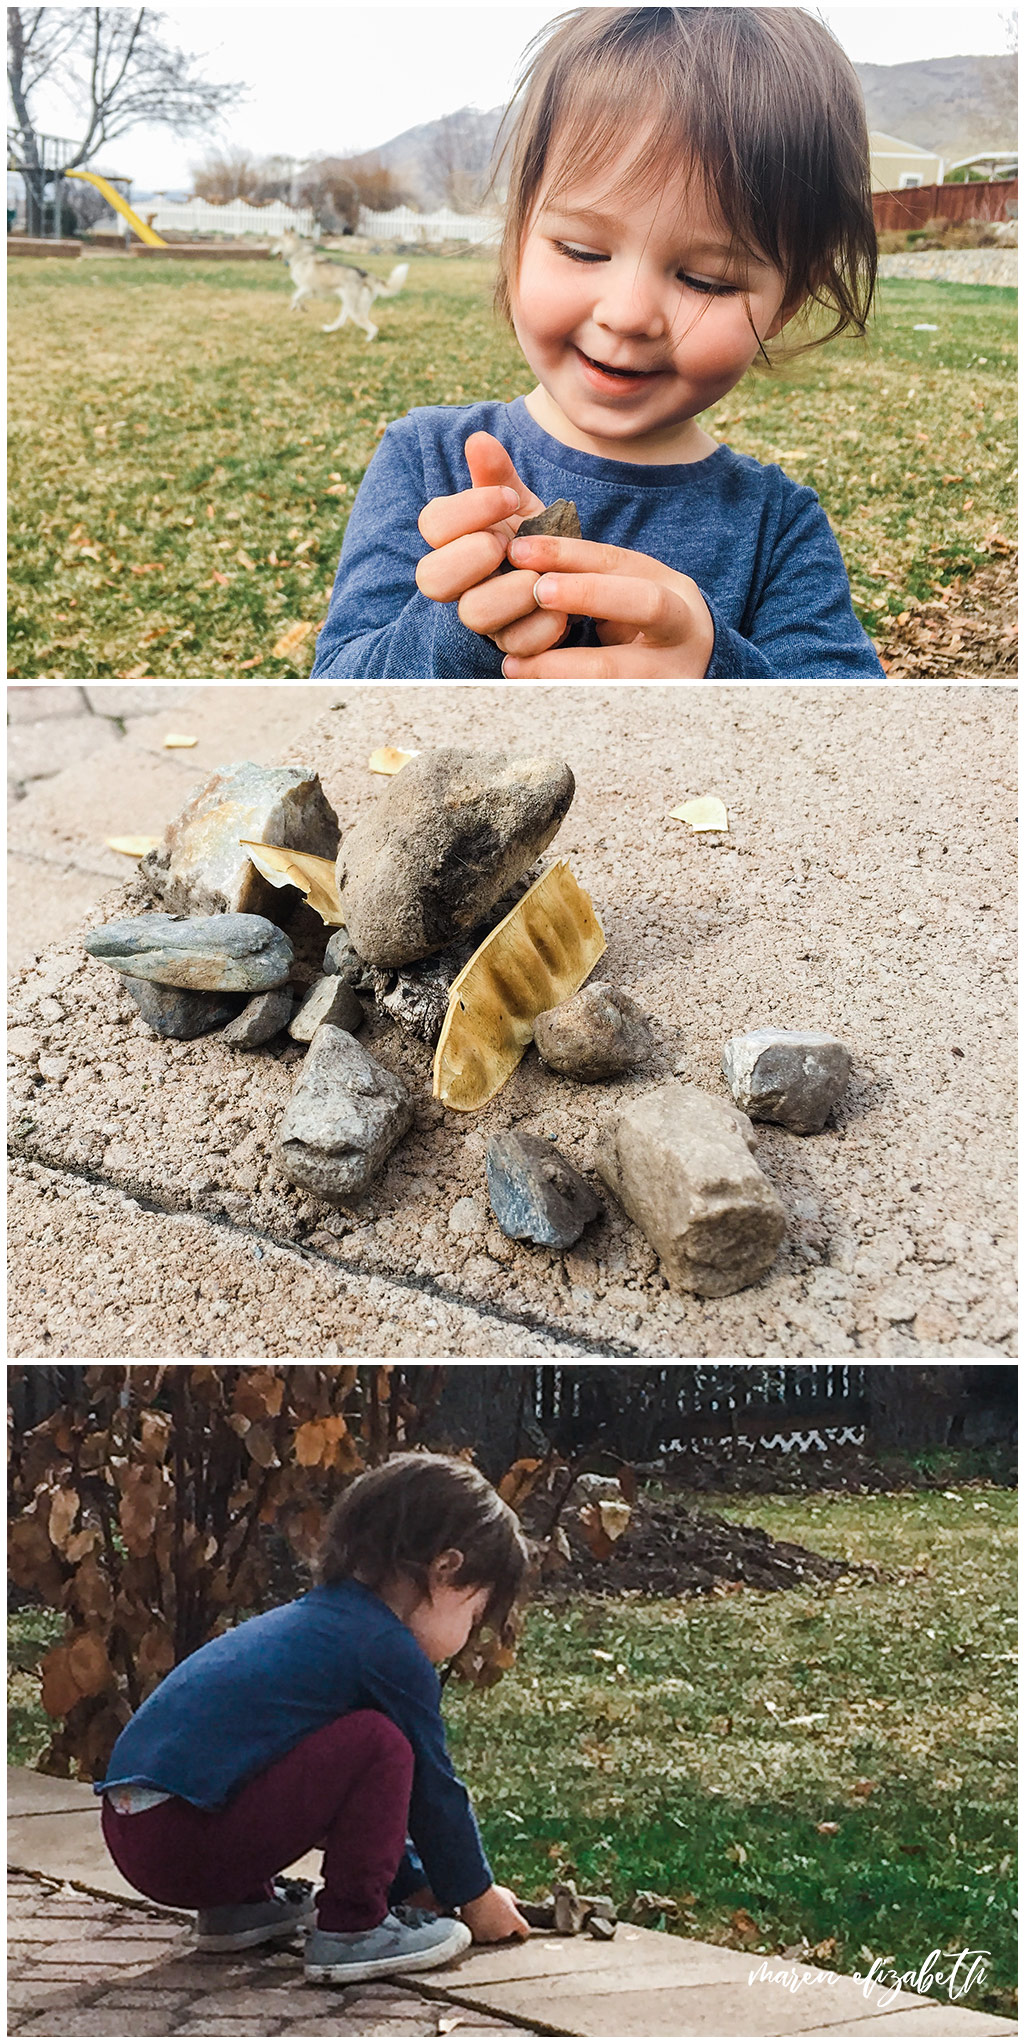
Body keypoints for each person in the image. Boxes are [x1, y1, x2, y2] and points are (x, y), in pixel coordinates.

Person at [311, 6, 885, 681]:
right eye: (582, 250)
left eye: (707, 279)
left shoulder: (778, 528)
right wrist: (465, 620)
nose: (629, 314)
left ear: (785, 303)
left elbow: (847, 727)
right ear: (518, 236)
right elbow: (340, 695)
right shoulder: (424, 460)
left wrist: (711, 665)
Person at [97, 1453, 532, 1986]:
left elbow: (345, 1797)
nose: (468, 1635)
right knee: (381, 1744)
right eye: (473, 1614)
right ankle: (354, 1929)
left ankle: (241, 1906)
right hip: (185, 1843)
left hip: (132, 1830)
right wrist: (475, 1895)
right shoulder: (388, 1649)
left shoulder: (318, 1624)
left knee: (302, 1744)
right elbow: (432, 1790)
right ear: (446, 1571)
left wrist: (417, 1882)